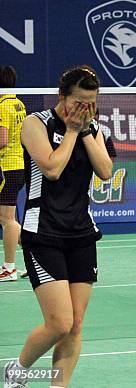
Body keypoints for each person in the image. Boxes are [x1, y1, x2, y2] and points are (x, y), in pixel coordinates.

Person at [3, 65, 112, 388]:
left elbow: (105, 171)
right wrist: (74, 132)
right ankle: (18, 370)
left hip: (81, 234)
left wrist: (87, 129)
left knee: (76, 325)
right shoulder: (35, 123)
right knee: (59, 323)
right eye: (79, 102)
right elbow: (51, 168)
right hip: (43, 233)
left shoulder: (96, 129)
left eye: (91, 102)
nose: (85, 109)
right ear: (62, 97)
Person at [0, 66, 27, 282]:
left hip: (7, 169)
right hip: (17, 166)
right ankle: (37, 260)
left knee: (6, 219)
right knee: (10, 219)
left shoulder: (2, 106)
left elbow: (1, 140)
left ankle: (9, 269)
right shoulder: (18, 104)